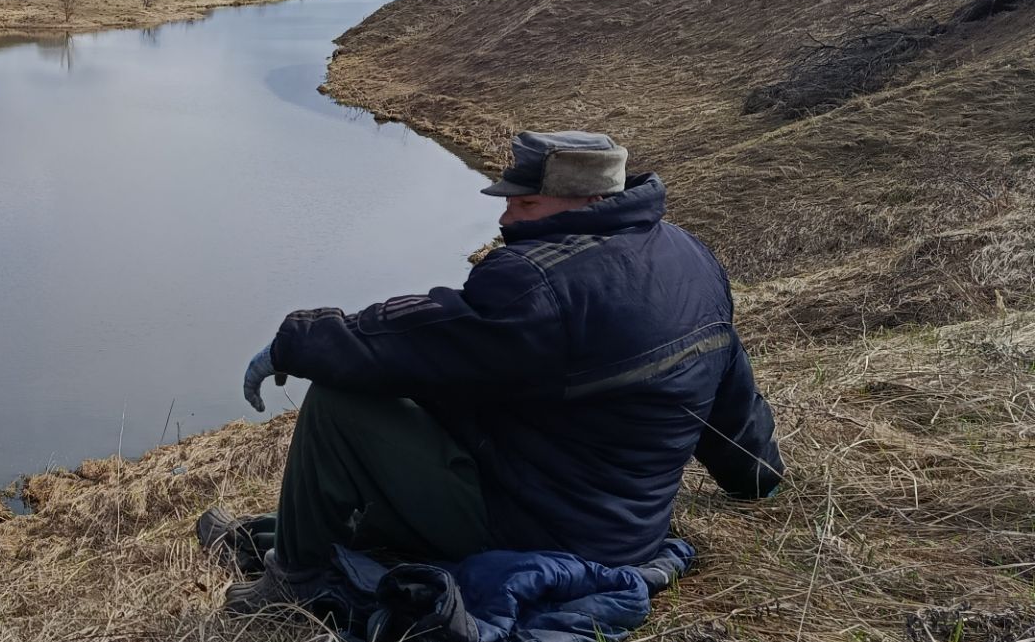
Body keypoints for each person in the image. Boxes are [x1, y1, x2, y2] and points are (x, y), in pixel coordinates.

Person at [218, 130, 784, 611]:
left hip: (542, 532)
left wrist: (294, 342)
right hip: (628, 528)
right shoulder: (691, 257)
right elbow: (728, 381)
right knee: (432, 400)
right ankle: (299, 536)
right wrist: (756, 473)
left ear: (583, 200)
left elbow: (412, 339)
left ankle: (292, 581)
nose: (506, 212)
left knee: (339, 405)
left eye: (525, 203)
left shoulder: (539, 285)